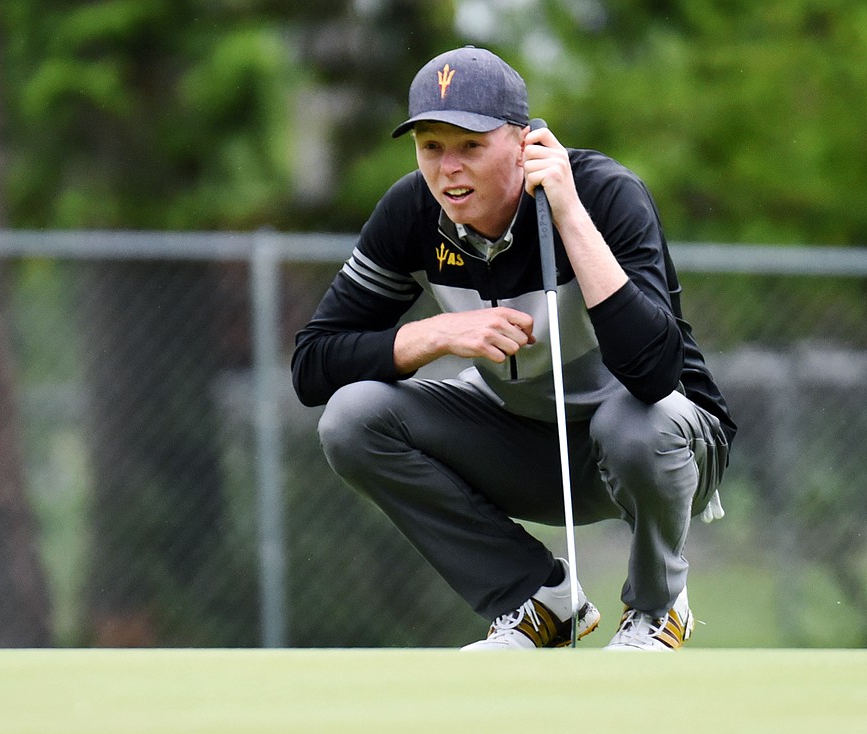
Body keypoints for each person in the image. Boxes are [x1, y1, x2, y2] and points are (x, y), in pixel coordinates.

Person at [291, 46, 735, 651]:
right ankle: (539, 602)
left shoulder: (604, 194)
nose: (448, 169)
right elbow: (312, 366)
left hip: (661, 446)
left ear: (525, 141)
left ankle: (659, 608)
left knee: (634, 424)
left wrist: (569, 213)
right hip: (528, 442)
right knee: (351, 420)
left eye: (470, 146)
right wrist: (436, 335)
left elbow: (655, 375)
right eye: (430, 147)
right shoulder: (412, 213)